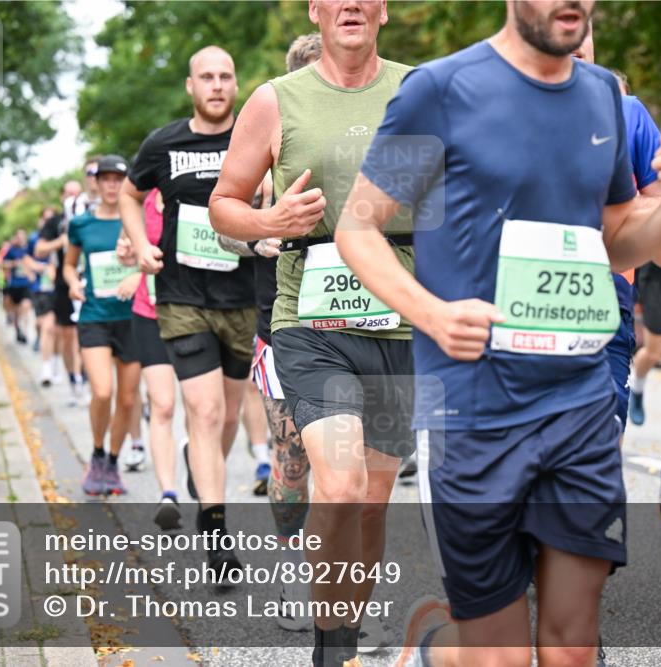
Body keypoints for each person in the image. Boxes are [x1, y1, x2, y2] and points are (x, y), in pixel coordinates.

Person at [334, 1, 661, 665]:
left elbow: (616, 243)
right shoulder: (441, 91)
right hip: (474, 407)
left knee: (571, 649)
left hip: (580, 401)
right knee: (497, 656)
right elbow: (358, 227)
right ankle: (433, 646)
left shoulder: (602, 99)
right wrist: (432, 312)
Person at [210, 3, 416, 662]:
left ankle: (346, 629)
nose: (351, 4)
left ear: (383, 10)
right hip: (310, 319)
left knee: (374, 504)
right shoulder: (275, 101)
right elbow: (224, 205)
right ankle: (332, 648)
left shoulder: (421, 92)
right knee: (343, 483)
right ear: (315, 10)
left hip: (399, 321)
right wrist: (270, 222)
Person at [120, 45, 255, 578]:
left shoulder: (257, 133)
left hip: (244, 297)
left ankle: (206, 476)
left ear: (237, 84)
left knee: (225, 416)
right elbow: (132, 196)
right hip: (181, 297)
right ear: (190, 86)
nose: (217, 85)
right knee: (203, 411)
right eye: (207, 77)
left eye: (226, 76)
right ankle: (217, 535)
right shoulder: (164, 143)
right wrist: (141, 243)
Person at [213, 30, 322, 634]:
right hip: (281, 326)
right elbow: (224, 220)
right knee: (293, 456)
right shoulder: (268, 143)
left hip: (362, 322)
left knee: (354, 464)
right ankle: (289, 563)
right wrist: (261, 230)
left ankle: (343, 598)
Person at [572, 20, 661, 430]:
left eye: (584, 25)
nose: (577, 39)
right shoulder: (498, 107)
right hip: (519, 308)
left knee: (600, 449)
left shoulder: (628, 113)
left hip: (607, 301)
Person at [65, 155, 142, 497]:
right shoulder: (81, 224)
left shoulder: (137, 219)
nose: (111, 185)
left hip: (132, 319)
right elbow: (68, 265)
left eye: (118, 179)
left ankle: (112, 462)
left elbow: (154, 259)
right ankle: (96, 453)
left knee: (127, 400)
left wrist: (137, 276)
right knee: (102, 391)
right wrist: (72, 282)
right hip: (95, 316)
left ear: (126, 182)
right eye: (105, 179)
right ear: (95, 182)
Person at [117, 189, 183, 528]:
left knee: (212, 412)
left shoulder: (194, 190)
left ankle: (199, 462)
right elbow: (126, 252)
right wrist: (130, 258)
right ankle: (168, 493)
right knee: (164, 405)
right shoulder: (139, 205)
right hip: (150, 313)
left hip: (194, 313)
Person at [37, 178, 89, 406]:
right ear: (62, 197)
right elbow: (39, 249)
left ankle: (85, 380)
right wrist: (61, 241)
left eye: (77, 194)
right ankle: (73, 381)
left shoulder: (90, 216)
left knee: (86, 336)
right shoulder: (56, 222)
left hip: (90, 281)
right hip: (63, 284)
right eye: (68, 194)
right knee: (68, 336)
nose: (73, 198)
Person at [28, 208, 60, 385]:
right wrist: (40, 269)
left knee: (55, 329)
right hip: (41, 288)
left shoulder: (66, 234)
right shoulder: (35, 238)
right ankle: (47, 367)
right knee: (45, 326)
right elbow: (25, 258)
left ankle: (53, 365)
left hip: (60, 289)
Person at [1, 229, 34, 344]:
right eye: (18, 236)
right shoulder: (11, 250)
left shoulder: (29, 249)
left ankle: (25, 332)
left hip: (26, 284)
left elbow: (35, 261)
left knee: (26, 306)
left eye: (22, 236)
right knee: (16, 311)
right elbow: (2, 263)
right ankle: (18, 331)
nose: (20, 239)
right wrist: (14, 263)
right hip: (14, 285)